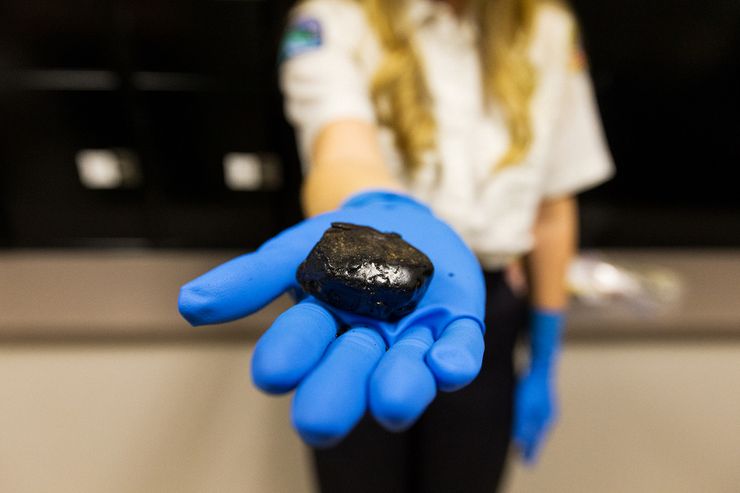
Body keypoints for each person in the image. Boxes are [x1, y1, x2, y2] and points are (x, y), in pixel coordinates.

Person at [179, 0, 614, 491]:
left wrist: (545, 355)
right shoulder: (332, 17)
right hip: (361, 313)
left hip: (482, 313)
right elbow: (339, 141)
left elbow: (552, 210)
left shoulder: (549, 30)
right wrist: (373, 202)